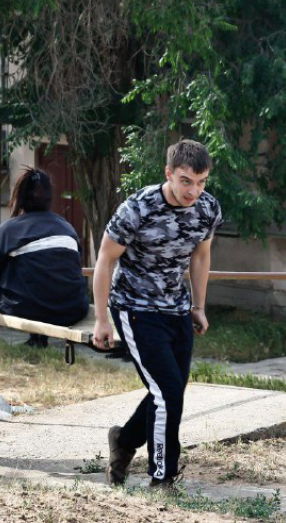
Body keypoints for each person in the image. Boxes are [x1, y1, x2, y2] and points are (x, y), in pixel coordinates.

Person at [92, 139, 222, 490]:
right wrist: (102, 318)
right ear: (168, 174)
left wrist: (198, 306)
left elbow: (200, 256)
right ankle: (162, 476)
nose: (194, 190)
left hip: (176, 307)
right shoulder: (137, 208)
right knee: (168, 393)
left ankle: (123, 441)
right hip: (134, 308)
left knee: (170, 390)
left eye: (201, 181)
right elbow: (105, 260)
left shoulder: (208, 208)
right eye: (185, 181)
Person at [0, 168, 89, 346]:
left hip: (26, 310)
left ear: (19, 197)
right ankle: (38, 340)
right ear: (49, 197)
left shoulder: (9, 230)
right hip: (73, 310)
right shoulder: (67, 228)